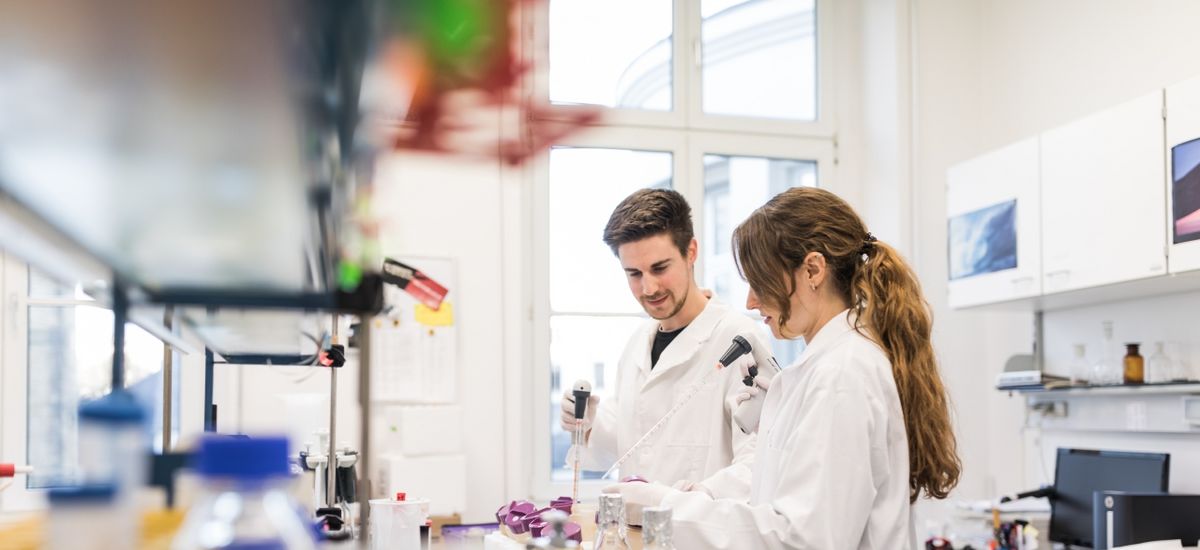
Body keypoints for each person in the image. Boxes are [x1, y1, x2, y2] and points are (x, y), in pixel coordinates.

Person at [604, 187, 961, 549]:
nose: (751, 301)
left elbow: (803, 538)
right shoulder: (823, 367)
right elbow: (774, 494)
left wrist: (668, 508)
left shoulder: (843, 374)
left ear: (813, 270)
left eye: (761, 282)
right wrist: (700, 494)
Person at [560, 188, 772, 499]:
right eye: (634, 273)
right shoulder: (637, 344)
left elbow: (758, 462)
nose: (648, 288)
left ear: (691, 252)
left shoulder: (738, 339)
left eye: (660, 268)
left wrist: (688, 500)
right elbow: (631, 442)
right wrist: (587, 424)